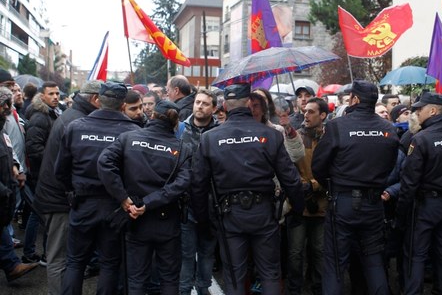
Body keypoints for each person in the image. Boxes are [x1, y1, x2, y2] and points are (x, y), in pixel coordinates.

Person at [190, 83, 304, 294]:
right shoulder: (270, 135)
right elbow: (291, 179)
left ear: (224, 105)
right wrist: (297, 210)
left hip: (229, 215)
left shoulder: (210, 138)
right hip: (263, 213)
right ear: (250, 104)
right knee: (270, 273)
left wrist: (204, 222)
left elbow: (198, 185)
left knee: (234, 275)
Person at [312, 80, 399, 294]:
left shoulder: (337, 126)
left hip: (343, 203)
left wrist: (335, 184)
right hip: (373, 203)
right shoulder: (388, 129)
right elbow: (390, 166)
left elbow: (318, 167)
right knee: (374, 262)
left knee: (334, 265)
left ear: (355, 99)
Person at [55, 82, 141, 295]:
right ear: (123, 105)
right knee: (109, 263)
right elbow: (137, 175)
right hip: (114, 205)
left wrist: (73, 190)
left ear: (99, 100)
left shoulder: (76, 127)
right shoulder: (133, 131)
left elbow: (60, 170)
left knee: (75, 261)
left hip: (85, 203)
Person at [98, 100, 192, 295]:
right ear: (175, 123)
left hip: (135, 218)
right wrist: (146, 203)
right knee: (169, 278)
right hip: (166, 221)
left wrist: (124, 198)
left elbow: (104, 162)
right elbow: (182, 184)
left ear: (152, 115)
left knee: (136, 279)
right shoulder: (183, 148)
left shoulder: (128, 138)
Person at [395, 92, 442, 295]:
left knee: (416, 254)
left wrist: (401, 215)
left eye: (419, 110)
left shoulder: (420, 140)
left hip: (425, 206)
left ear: (432, 111)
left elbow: (409, 183)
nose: (417, 114)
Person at [33, 80, 101, 295]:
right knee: (58, 257)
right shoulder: (76, 120)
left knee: (65, 256)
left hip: (60, 197)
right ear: (95, 99)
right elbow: (66, 167)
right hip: (58, 199)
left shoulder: (75, 116)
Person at [178, 88, 219, 295]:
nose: (199, 106)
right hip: (186, 204)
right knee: (186, 256)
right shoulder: (180, 129)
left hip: (211, 204)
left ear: (214, 108)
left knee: (206, 254)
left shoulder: (219, 132)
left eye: (204, 103)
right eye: (197, 102)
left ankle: (203, 289)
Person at [288, 97, 329, 295]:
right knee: (295, 253)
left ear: (323, 115)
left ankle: (317, 288)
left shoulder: (329, 138)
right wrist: (300, 185)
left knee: (319, 252)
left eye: (311, 111)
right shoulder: (295, 137)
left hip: (321, 206)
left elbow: (332, 170)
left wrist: (313, 185)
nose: (306, 114)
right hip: (298, 204)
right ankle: (295, 289)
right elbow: (287, 167)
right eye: (305, 111)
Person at [0, 86, 39, 282]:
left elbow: (9, 146)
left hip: (9, 180)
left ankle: (11, 265)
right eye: (6, 103)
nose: (9, 107)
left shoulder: (5, 122)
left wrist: (16, 167)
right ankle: (11, 265)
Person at [23, 81, 62, 265]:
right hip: (41, 174)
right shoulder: (40, 117)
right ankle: (35, 253)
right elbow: (33, 148)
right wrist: (52, 162)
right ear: (42, 96)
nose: (55, 97)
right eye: (51, 94)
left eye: (57, 93)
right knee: (39, 213)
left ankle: (34, 252)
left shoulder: (51, 113)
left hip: (45, 173)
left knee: (38, 212)